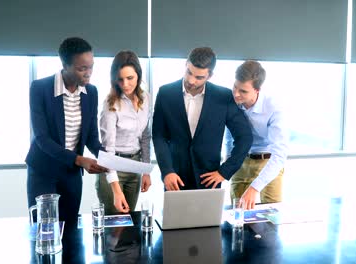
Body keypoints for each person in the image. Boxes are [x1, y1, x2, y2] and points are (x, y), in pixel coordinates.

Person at [26, 37, 108, 226]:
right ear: (65, 65)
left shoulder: (91, 92)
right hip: (43, 171)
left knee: (70, 227)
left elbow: (91, 136)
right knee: (44, 230)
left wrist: (107, 157)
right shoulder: (40, 89)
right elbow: (42, 138)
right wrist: (80, 160)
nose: (88, 74)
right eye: (82, 69)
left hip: (71, 173)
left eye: (91, 67)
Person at [152, 47, 252, 191]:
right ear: (186, 64)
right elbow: (159, 136)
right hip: (175, 178)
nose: (192, 80)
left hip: (209, 179)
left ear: (209, 75)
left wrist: (224, 172)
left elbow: (245, 137)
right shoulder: (165, 93)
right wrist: (167, 171)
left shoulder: (224, 97)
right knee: (175, 214)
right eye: (189, 73)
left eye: (199, 77)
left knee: (210, 215)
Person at [226, 60, 288, 209]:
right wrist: (230, 162)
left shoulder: (274, 107)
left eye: (243, 91)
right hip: (241, 161)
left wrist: (254, 188)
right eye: (235, 87)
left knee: (271, 215)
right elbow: (229, 137)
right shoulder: (231, 102)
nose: (236, 94)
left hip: (268, 162)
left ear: (257, 90)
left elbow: (279, 154)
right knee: (238, 214)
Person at [97, 50, 152, 214]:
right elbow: (108, 149)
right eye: (120, 79)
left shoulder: (146, 98)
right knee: (115, 226)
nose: (125, 84)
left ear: (138, 76)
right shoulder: (110, 103)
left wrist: (146, 171)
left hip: (134, 166)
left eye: (130, 78)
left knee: (130, 224)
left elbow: (145, 137)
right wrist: (116, 189)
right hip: (112, 167)